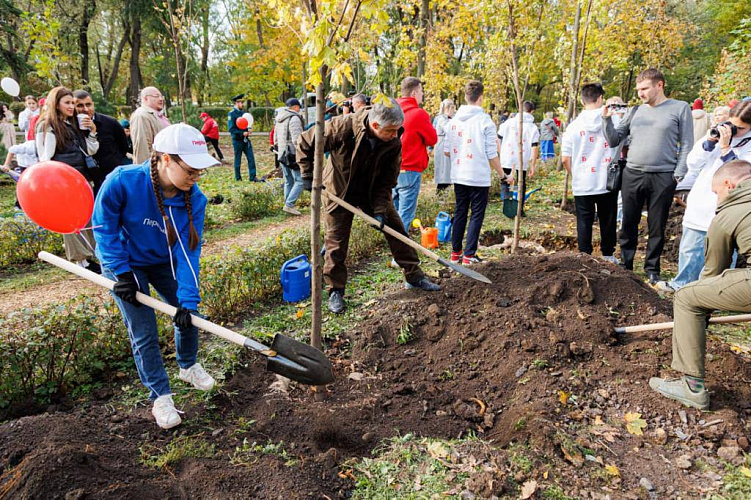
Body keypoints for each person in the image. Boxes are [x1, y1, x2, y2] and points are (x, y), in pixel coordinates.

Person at [92, 123, 219, 429]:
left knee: (189, 312)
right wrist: (121, 273)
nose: (196, 177)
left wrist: (187, 301)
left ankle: (187, 365)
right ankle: (160, 397)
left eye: (199, 171)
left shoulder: (195, 199)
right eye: (190, 169)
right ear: (165, 159)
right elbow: (103, 227)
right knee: (144, 330)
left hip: (163, 262)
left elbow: (188, 253)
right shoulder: (123, 181)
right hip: (125, 263)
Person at [297, 99, 442, 314]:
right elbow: (306, 142)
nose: (395, 135)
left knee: (396, 229)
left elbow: (387, 182)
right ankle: (336, 290)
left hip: (371, 192)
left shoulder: (393, 142)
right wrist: (308, 176)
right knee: (336, 242)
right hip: (339, 191)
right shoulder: (343, 127)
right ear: (375, 126)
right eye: (391, 130)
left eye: (397, 130)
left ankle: (414, 275)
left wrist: (380, 211)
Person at [649, 160, 751, 410]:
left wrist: (700, 313)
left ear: (729, 185)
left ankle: (692, 387)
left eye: (717, 193)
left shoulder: (729, 213)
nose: (718, 200)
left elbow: (713, 273)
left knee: (686, 296)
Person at [603, 68, 693, 284]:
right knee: (628, 223)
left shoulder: (680, 108)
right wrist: (606, 120)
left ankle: (652, 269)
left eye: (644, 88)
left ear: (659, 85)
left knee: (657, 225)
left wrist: (679, 173)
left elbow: (687, 142)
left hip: (663, 175)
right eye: (638, 89)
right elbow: (615, 140)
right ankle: (626, 265)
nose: (640, 93)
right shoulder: (635, 111)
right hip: (632, 173)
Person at [655, 101, 751, 293]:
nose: (735, 131)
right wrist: (709, 143)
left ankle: (718, 293)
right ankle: (682, 284)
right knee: (690, 249)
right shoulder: (719, 134)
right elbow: (693, 162)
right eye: (733, 125)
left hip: (727, 209)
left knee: (721, 254)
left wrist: (725, 148)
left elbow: (740, 175)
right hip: (701, 202)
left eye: (740, 128)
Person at [445, 81, 514, 265]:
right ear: (481, 98)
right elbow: (492, 154)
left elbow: (446, 150)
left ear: (466, 97)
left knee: (460, 212)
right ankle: (469, 256)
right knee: (476, 214)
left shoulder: (453, 122)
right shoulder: (485, 121)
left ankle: (455, 253)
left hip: (459, 175)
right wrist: (503, 176)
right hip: (477, 176)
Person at [35, 86, 100, 271]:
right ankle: (81, 260)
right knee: (71, 219)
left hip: (81, 177)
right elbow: (45, 157)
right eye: (67, 103)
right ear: (56, 104)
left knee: (87, 215)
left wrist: (91, 132)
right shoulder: (48, 126)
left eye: (73, 103)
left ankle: (92, 253)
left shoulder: (71, 124)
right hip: (63, 181)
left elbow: (89, 150)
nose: (71, 106)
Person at [561, 83, 620, 263]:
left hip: (583, 181)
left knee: (584, 220)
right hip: (607, 180)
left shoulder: (573, 126)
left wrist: (575, 173)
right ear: (601, 98)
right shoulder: (614, 120)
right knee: (608, 219)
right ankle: (608, 255)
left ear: (581, 100)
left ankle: (584, 256)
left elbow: (565, 158)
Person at [392, 77, 438, 232]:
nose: (422, 95)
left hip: (390, 168)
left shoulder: (391, 111)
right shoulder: (418, 114)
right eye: (421, 92)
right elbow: (433, 139)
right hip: (410, 169)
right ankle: (400, 254)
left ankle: (394, 248)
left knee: (394, 214)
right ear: (413, 93)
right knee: (405, 214)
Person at [73, 90, 129, 190]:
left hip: (111, 178)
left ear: (93, 104)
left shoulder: (110, 123)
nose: (85, 109)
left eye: (88, 104)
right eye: (80, 106)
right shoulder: (71, 128)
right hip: (87, 180)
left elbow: (123, 146)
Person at [498, 101, 540, 215]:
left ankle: (507, 206)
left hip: (506, 156)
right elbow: (534, 147)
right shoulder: (533, 127)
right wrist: (532, 165)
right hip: (522, 159)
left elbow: (498, 137)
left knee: (505, 180)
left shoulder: (508, 122)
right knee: (521, 182)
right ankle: (519, 209)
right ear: (532, 111)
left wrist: (500, 152)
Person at [276, 98, 305, 216]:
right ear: (295, 107)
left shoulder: (279, 118)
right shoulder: (294, 118)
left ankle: (287, 204)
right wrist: (302, 151)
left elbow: (275, 138)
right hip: (292, 154)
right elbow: (296, 139)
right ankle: (289, 204)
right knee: (300, 180)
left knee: (288, 181)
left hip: (282, 153)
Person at [130, 86, 170, 164]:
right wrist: (145, 171)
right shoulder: (141, 115)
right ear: (145, 98)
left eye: (161, 96)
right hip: (154, 168)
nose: (161, 99)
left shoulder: (158, 116)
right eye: (156, 96)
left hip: (164, 165)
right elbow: (142, 147)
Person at [228, 94, 258, 181]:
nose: (242, 104)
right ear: (236, 103)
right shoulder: (232, 114)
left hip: (246, 140)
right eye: (241, 103)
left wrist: (249, 130)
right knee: (238, 159)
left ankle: (253, 177)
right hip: (237, 140)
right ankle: (238, 178)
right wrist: (242, 133)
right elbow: (231, 129)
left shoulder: (243, 113)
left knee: (251, 158)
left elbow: (246, 124)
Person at [434, 98, 456, 192]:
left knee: (447, 171)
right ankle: (441, 191)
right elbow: (448, 128)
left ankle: (445, 190)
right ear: (448, 109)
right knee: (443, 171)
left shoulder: (449, 118)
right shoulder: (442, 119)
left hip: (447, 144)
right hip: (442, 145)